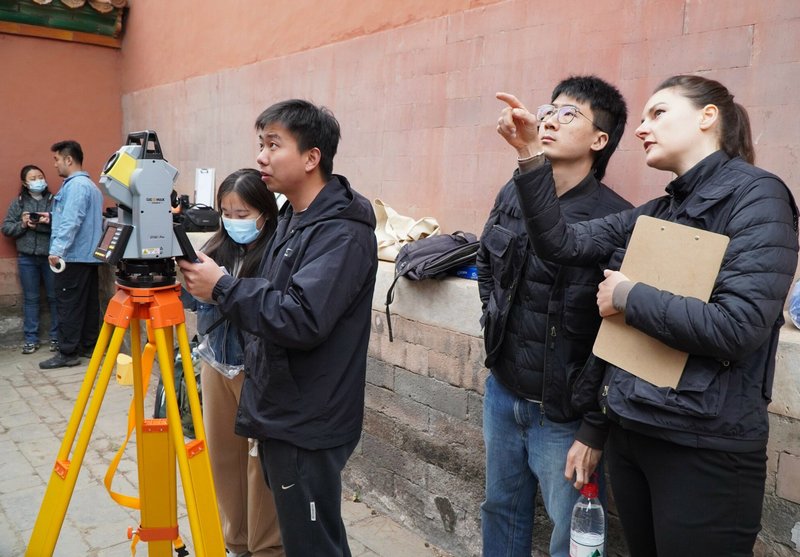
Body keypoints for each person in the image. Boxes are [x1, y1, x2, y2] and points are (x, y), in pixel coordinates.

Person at [500, 75, 798, 556]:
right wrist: (531, 155)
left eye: (658, 113)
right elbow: (560, 242)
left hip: (703, 447)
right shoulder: (660, 209)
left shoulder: (757, 196)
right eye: (641, 118)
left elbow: (738, 326)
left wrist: (628, 295)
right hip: (634, 429)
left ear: (708, 117)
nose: (641, 128)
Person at [179, 99, 378, 557]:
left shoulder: (342, 232)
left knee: (312, 543)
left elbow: (301, 318)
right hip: (283, 409)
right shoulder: (292, 217)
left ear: (312, 157)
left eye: (274, 144)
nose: (261, 157)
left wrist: (224, 288)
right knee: (304, 535)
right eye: (260, 144)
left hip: (309, 419)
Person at [478, 76, 632, 557]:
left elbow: (619, 337)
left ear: (599, 140)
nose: (549, 119)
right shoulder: (515, 191)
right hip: (503, 392)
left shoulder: (615, 218)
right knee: (500, 510)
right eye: (550, 109)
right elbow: (487, 262)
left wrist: (594, 428)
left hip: (565, 414)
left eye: (570, 114)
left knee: (573, 536)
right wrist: (494, 322)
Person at [192, 168, 283, 557]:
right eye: (225, 212)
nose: (232, 221)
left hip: (256, 369)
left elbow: (274, 311)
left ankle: (266, 548)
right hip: (216, 364)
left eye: (242, 213)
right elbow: (194, 304)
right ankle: (235, 542)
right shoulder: (215, 248)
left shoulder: (280, 251)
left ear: (264, 212)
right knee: (223, 456)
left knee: (258, 464)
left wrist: (226, 289)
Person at [39, 140, 104, 370]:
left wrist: (57, 250)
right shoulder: (90, 186)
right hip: (88, 257)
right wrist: (51, 216)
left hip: (73, 257)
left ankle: (67, 352)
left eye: (56, 159)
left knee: (68, 304)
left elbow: (72, 221)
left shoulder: (75, 187)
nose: (55, 164)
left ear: (69, 159)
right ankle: (88, 346)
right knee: (87, 304)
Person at [2, 165, 59, 354]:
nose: (38, 181)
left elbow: (62, 226)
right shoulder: (18, 203)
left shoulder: (54, 201)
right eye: (33, 178)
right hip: (26, 258)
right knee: (31, 299)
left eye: (40, 176)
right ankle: (31, 339)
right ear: (25, 183)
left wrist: (44, 223)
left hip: (50, 257)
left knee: (54, 297)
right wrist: (23, 224)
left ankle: (56, 337)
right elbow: (6, 228)